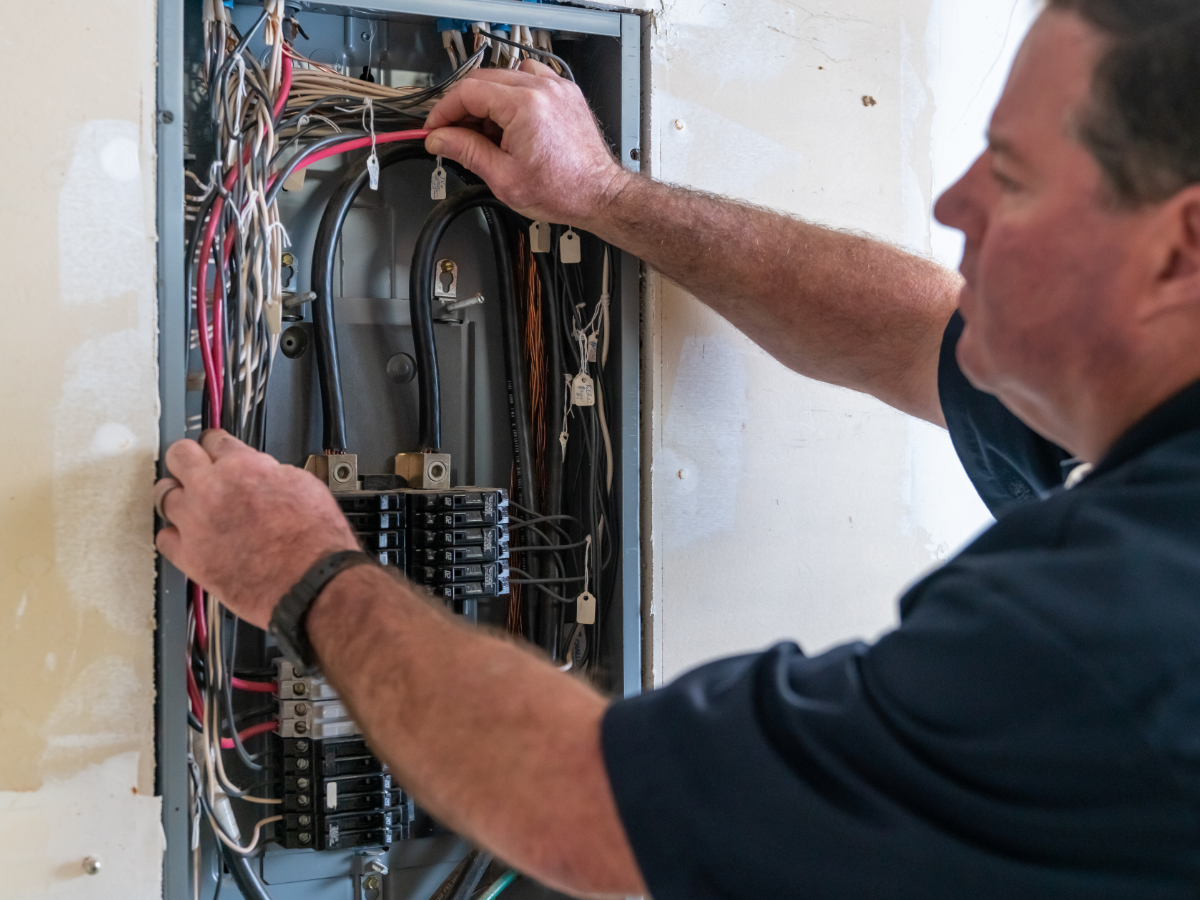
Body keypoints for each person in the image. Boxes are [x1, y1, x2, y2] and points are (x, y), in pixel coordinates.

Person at [154, 1, 1200, 896]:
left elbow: (587, 805)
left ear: (1180, 247)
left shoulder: (1113, 628)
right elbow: (919, 333)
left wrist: (304, 573)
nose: (950, 203)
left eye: (1011, 178)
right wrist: (603, 196)